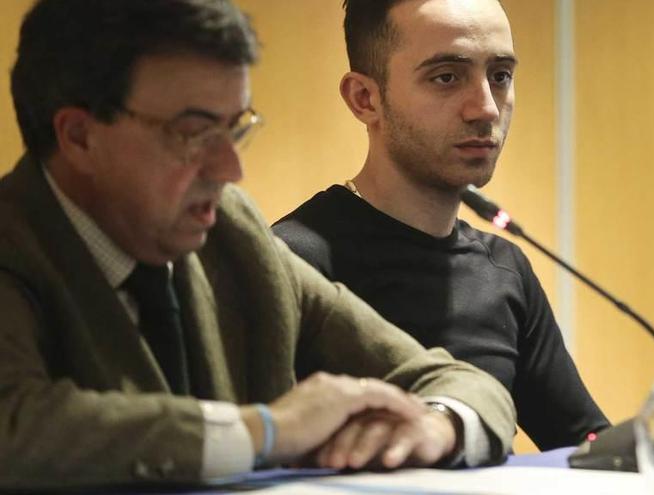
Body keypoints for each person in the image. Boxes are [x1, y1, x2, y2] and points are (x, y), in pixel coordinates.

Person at [0, 0, 515, 490]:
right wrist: (265, 431)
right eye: (194, 132)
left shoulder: (233, 232)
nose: (231, 169)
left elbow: (451, 378)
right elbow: (17, 426)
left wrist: (438, 425)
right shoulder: (15, 240)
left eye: (235, 128)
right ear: (79, 136)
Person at [272, 0, 609, 451]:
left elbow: (582, 440)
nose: (485, 108)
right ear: (364, 98)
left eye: (500, 76)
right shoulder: (290, 260)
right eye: (446, 77)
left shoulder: (503, 268)